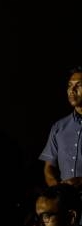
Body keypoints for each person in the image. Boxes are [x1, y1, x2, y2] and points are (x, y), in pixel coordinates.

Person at [39, 65, 82, 194]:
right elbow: (49, 168)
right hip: (66, 202)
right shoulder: (58, 127)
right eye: (69, 85)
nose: (72, 90)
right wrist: (58, 190)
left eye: (79, 85)